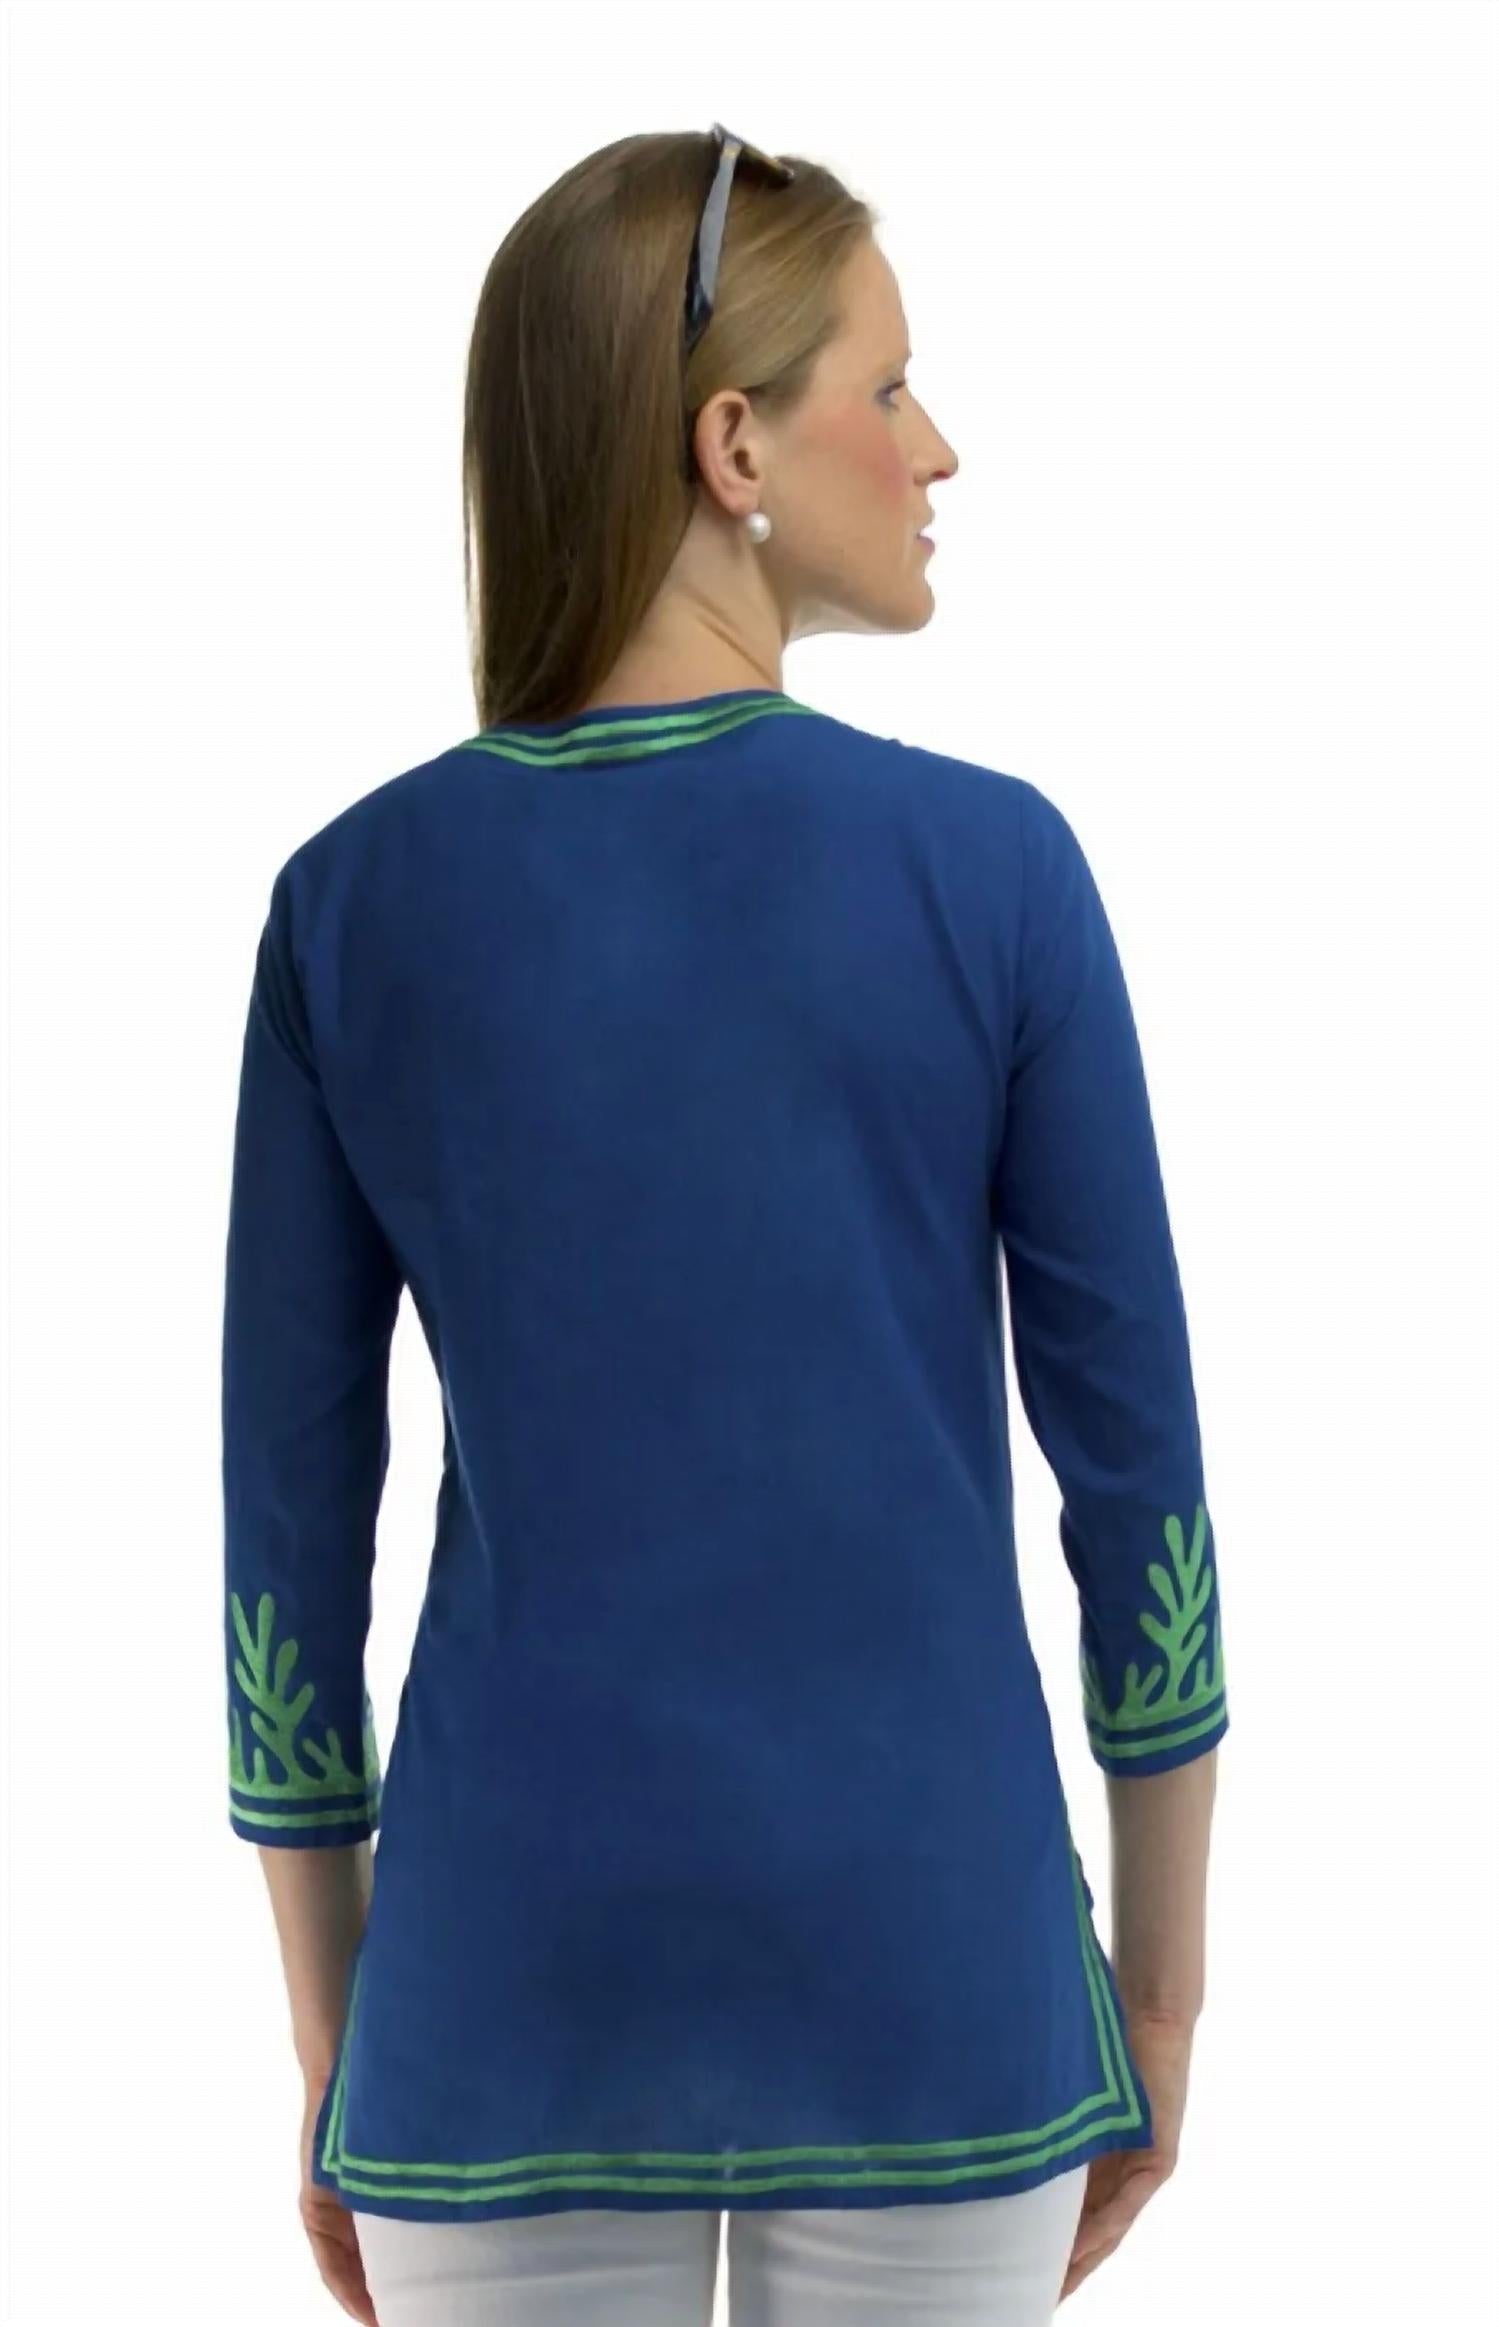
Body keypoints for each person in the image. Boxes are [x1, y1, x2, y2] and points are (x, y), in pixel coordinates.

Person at [221, 125, 1228, 2327]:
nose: (938, 448)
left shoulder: (350, 909)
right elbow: (1137, 1485)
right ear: (735, 443)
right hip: (940, 1989)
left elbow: (286, 1541)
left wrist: (335, 2043)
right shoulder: (996, 877)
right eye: (892, 385)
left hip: (498, 2007)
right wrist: (1159, 1999)